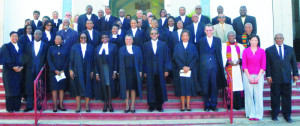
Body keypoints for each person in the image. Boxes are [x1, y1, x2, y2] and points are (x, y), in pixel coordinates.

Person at [266, 33, 299, 123]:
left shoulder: (290, 49)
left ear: (283, 39)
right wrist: (268, 76)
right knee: (275, 97)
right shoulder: (269, 50)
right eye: (277, 38)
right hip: (275, 77)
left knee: (287, 98)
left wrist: (296, 74)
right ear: (274, 39)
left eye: (280, 38)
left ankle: (287, 115)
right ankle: (274, 115)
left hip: (287, 77)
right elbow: (267, 65)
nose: (279, 39)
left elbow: (294, 63)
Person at [198, 24, 226, 112]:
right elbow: (200, 54)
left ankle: (214, 105)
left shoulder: (218, 40)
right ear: (205, 31)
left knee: (214, 86)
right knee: (205, 86)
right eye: (207, 30)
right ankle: (206, 104)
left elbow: (219, 54)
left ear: (213, 30)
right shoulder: (201, 41)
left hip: (215, 67)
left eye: (210, 30)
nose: (209, 32)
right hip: (204, 67)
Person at [143, 29, 172, 112]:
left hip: (160, 70)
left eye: (155, 33)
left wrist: (166, 70)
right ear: (150, 35)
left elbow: (167, 57)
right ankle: (151, 106)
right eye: (152, 34)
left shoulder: (163, 45)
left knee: (160, 88)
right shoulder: (145, 45)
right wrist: (144, 71)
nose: (154, 35)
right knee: (150, 88)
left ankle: (159, 106)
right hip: (149, 70)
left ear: (158, 34)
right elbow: (143, 59)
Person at [173, 30, 200, 111]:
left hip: (190, 70)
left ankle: (188, 104)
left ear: (189, 37)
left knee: (188, 87)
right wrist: (183, 66)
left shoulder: (193, 46)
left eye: (186, 36)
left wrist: (189, 67)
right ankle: (182, 105)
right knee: (182, 87)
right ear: (181, 37)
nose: (185, 37)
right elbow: (175, 58)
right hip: (180, 70)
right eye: (183, 36)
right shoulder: (177, 46)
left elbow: (195, 58)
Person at [23, 30, 49, 112]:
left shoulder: (46, 45)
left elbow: (47, 58)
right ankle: (29, 105)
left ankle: (39, 105)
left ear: (42, 35)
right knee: (29, 87)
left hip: (40, 69)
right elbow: (25, 57)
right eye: (36, 33)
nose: (37, 35)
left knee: (39, 87)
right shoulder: (28, 45)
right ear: (33, 35)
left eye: (39, 34)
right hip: (29, 70)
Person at [242, 35, 266, 121]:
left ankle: (258, 114)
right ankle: (251, 113)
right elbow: (244, 65)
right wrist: (249, 77)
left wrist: (258, 76)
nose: (254, 42)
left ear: (258, 42)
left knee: (258, 95)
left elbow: (263, 65)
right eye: (252, 40)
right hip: (247, 75)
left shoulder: (262, 51)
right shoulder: (245, 51)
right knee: (249, 95)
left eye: (256, 40)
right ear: (249, 41)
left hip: (259, 75)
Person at [69, 32, 94, 113]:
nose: (83, 39)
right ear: (79, 38)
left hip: (88, 69)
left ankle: (87, 106)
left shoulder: (91, 47)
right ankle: (78, 106)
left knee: (88, 87)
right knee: (77, 87)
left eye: (85, 38)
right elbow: (71, 60)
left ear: (87, 39)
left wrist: (93, 71)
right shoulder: (74, 47)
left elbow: (94, 60)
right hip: (77, 69)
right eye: (81, 38)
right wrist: (71, 70)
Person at [119, 35, 143, 113]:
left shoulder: (137, 49)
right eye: (127, 39)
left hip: (134, 71)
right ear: (125, 40)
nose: (128, 40)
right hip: (124, 72)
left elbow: (140, 61)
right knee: (125, 88)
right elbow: (119, 62)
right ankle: (127, 105)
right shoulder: (121, 49)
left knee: (133, 88)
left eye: (130, 39)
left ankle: (132, 105)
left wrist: (140, 71)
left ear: (132, 40)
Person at [94, 33, 118, 112]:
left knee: (109, 86)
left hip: (110, 68)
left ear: (108, 38)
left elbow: (115, 60)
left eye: (106, 37)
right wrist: (97, 73)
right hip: (101, 69)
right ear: (101, 39)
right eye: (103, 37)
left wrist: (115, 71)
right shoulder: (97, 48)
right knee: (103, 86)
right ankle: (105, 104)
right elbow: (95, 62)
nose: (104, 38)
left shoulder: (113, 47)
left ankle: (110, 104)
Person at [221, 31, 245, 110]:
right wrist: (228, 62)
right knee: (230, 85)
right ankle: (230, 104)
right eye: (229, 36)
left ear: (235, 37)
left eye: (232, 36)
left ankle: (238, 104)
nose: (231, 37)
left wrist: (239, 61)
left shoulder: (240, 46)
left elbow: (243, 56)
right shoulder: (224, 46)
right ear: (227, 37)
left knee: (238, 86)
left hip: (238, 69)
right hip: (229, 69)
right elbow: (222, 57)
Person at [2, 32, 23, 113]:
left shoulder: (20, 46)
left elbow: (24, 58)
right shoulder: (6, 46)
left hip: (19, 71)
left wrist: (22, 66)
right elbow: (6, 59)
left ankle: (17, 107)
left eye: (16, 36)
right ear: (10, 37)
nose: (15, 37)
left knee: (18, 89)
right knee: (10, 90)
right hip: (9, 72)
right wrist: (13, 67)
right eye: (13, 36)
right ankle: (10, 108)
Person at [47, 35, 68, 112]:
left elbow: (67, 59)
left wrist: (63, 70)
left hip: (62, 72)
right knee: (54, 89)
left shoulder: (65, 48)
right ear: (54, 40)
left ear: (62, 40)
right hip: (53, 72)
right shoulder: (51, 48)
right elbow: (49, 60)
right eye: (56, 39)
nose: (58, 40)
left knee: (61, 88)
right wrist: (54, 70)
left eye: (59, 39)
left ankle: (61, 104)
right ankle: (55, 105)